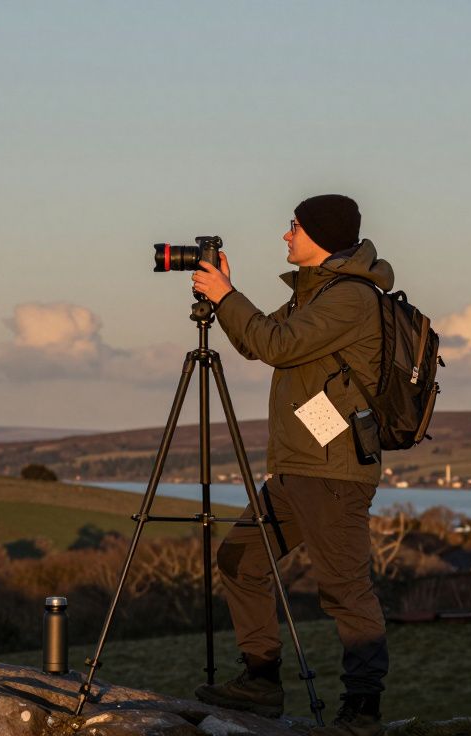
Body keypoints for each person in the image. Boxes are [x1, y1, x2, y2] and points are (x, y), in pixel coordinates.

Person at [189, 194, 392, 736]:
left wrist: (229, 295)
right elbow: (257, 344)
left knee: (345, 591)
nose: (285, 236)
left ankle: (363, 711)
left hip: (333, 472)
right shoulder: (317, 293)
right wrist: (227, 296)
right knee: (239, 560)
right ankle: (260, 680)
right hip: (300, 467)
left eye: (294, 227)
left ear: (320, 235)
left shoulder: (349, 298)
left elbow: (277, 345)